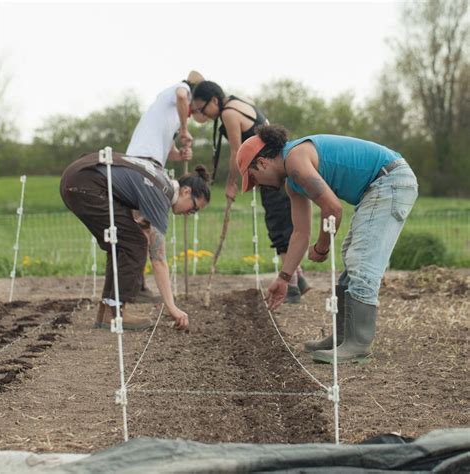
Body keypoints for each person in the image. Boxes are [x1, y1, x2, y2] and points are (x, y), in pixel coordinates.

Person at [236, 125, 418, 363]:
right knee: (352, 256)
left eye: (253, 179)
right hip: (380, 184)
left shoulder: (296, 161)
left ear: (261, 163)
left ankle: (358, 344)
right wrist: (284, 278)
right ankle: (344, 337)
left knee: (361, 260)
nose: (257, 185)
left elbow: (333, 208)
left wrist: (322, 246)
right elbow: (300, 233)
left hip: (390, 179)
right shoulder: (294, 182)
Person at [60, 151, 211, 331]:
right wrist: (172, 307)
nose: (189, 214)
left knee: (121, 242)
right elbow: (158, 260)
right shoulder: (162, 194)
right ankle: (114, 313)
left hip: (78, 177)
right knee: (135, 244)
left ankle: (107, 310)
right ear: (186, 191)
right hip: (86, 184)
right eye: (194, 208)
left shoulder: (160, 178)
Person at [190, 81, 309, 302]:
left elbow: (237, 151)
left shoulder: (229, 113)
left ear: (214, 100)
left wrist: (231, 183)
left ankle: (291, 288)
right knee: (283, 222)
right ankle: (299, 279)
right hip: (278, 167)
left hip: (270, 172)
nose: (202, 114)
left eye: (202, 108)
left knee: (278, 226)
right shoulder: (239, 103)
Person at [126, 70, 204, 302]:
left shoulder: (166, 111)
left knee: (142, 228)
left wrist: (180, 155)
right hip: (143, 164)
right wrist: (184, 129)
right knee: (144, 228)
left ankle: (137, 286)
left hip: (149, 162)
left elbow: (168, 150)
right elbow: (182, 96)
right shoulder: (181, 90)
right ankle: (137, 288)